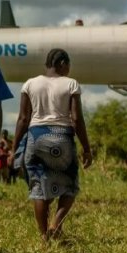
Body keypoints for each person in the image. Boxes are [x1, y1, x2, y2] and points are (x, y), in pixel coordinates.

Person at [8, 48, 92, 241]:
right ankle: (56, 225)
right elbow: (77, 119)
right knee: (70, 186)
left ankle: (44, 237)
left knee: (39, 189)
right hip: (61, 137)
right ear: (62, 63)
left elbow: (22, 119)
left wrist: (14, 150)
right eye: (68, 64)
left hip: (35, 137)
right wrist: (86, 149)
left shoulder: (30, 84)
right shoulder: (70, 84)